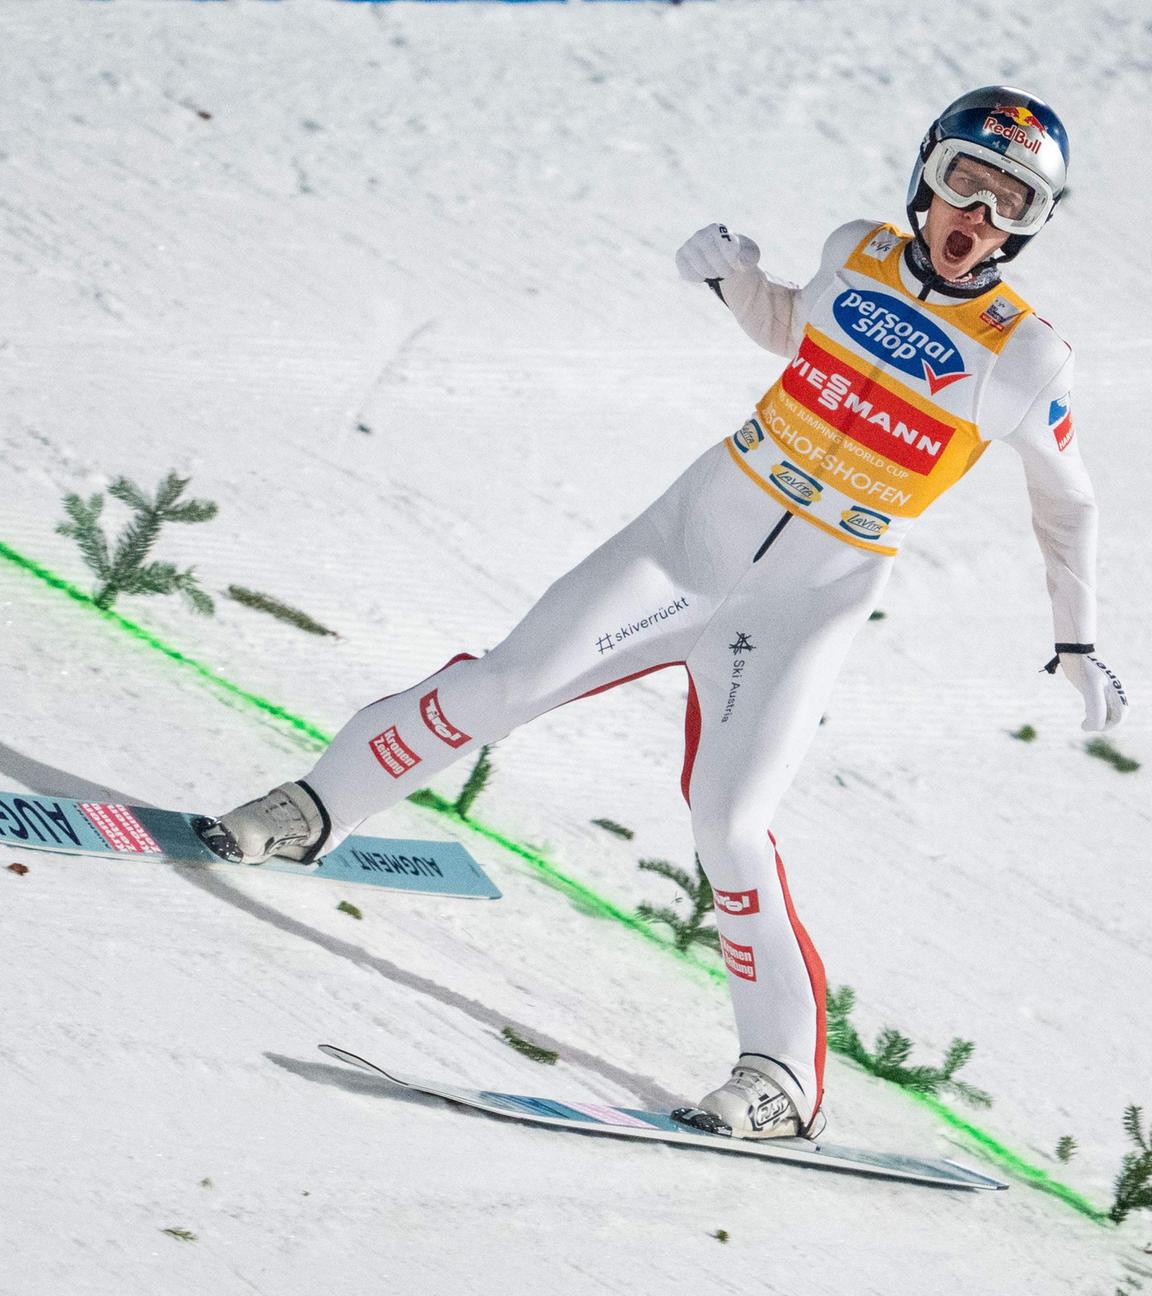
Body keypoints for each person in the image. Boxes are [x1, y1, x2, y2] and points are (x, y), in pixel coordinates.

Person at [201, 86, 1127, 1141]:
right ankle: (317, 807)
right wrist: (737, 280)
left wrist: (1076, 638)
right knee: (506, 680)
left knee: (732, 825)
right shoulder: (856, 249)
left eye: (1014, 204)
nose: (981, 218)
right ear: (928, 175)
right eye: (969, 181)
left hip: (812, 592)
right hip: (697, 530)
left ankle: (781, 1077)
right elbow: (797, 329)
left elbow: (1069, 499)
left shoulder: (1023, 354)